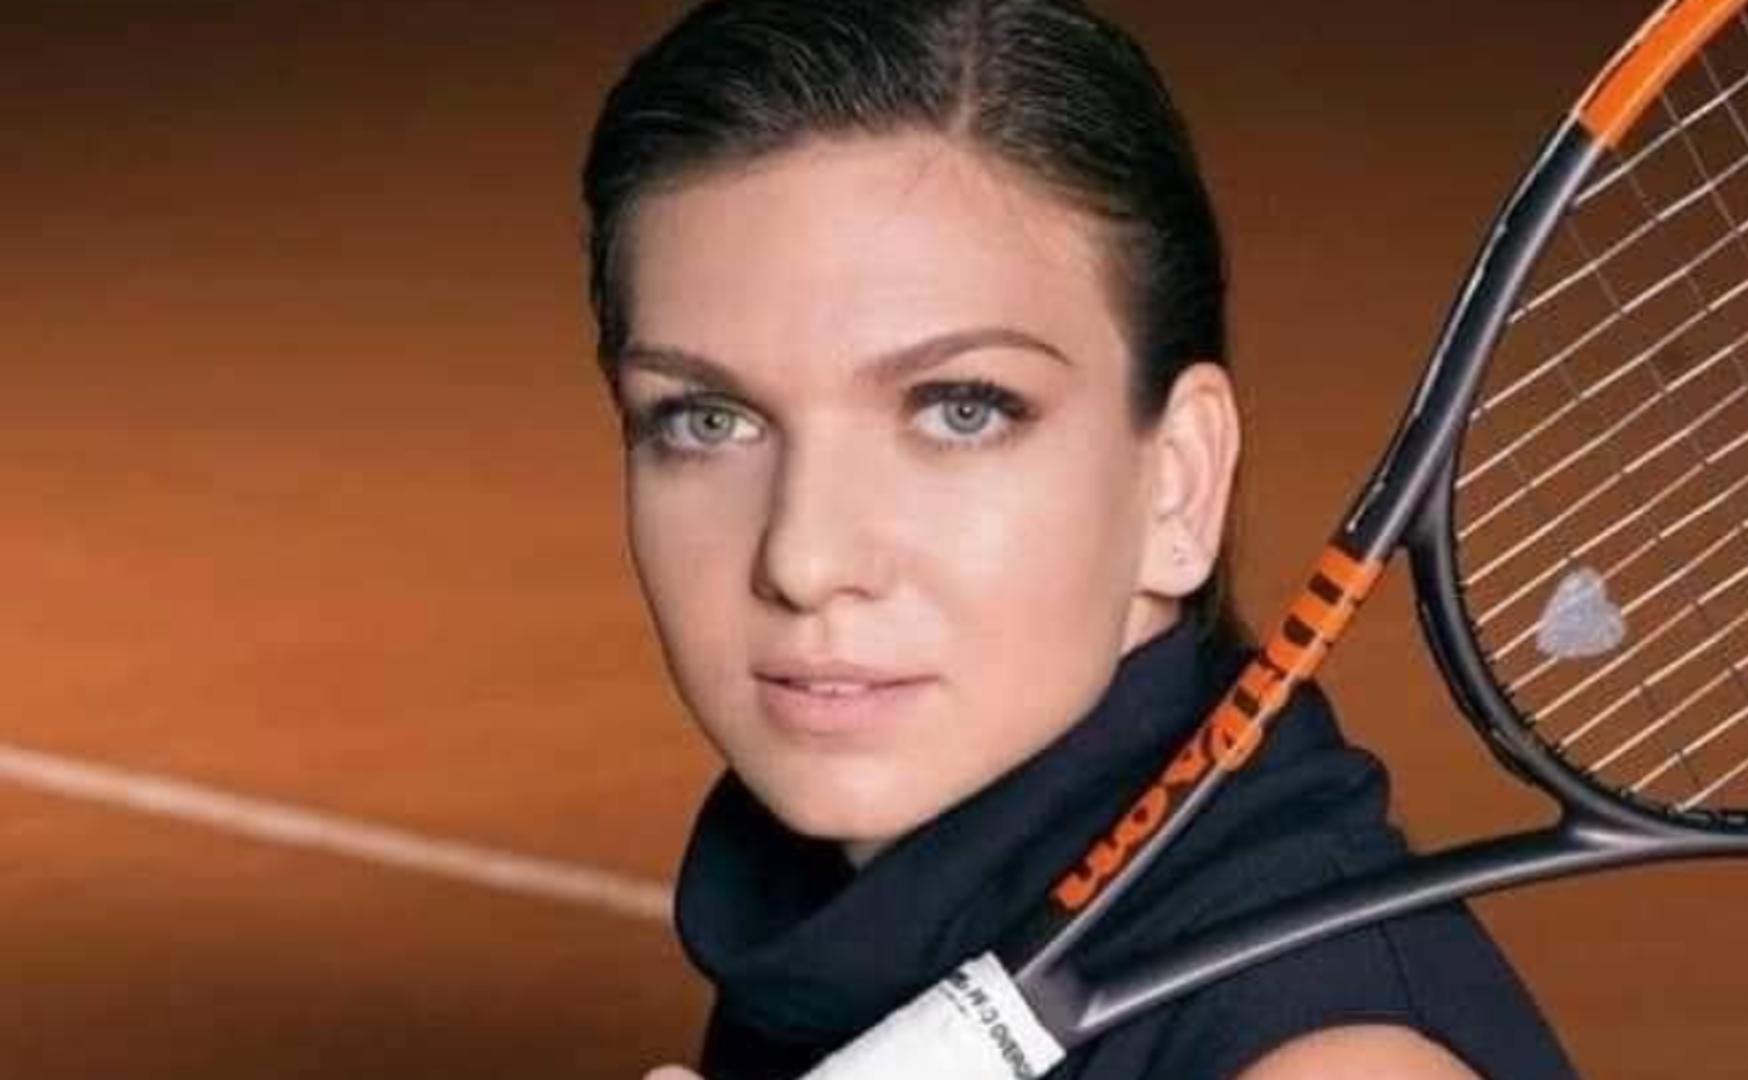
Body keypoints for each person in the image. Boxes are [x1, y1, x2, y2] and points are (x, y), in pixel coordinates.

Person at [580, 1, 1577, 1076]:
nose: (804, 560)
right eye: (706, 420)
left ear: (1177, 485)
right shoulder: (865, 901)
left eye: (962, 409)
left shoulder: (1335, 1061)